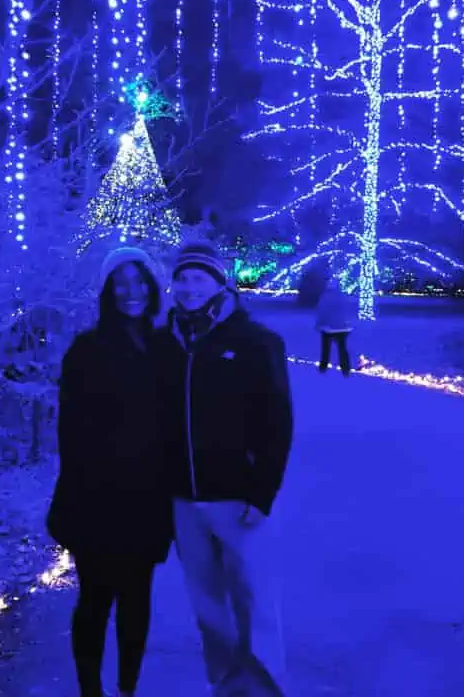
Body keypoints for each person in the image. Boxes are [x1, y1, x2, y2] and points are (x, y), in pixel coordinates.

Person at [155, 240, 294, 696]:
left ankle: (264, 686)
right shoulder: (164, 343)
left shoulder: (255, 342)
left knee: (254, 596)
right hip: (183, 499)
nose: (190, 287)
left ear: (220, 283)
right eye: (183, 278)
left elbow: (277, 422)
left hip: (237, 497)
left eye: (200, 278)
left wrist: (262, 492)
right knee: (206, 601)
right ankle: (226, 684)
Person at [46, 247, 174, 697]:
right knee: (95, 600)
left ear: (153, 289)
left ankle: (126, 689)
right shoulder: (87, 349)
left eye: (140, 282)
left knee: (137, 601)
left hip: (149, 499)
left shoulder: (166, 347)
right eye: (121, 284)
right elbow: (70, 433)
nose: (131, 292)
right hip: (96, 499)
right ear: (107, 291)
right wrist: (82, 492)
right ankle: (90, 691)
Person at [315, 278, 357, 376]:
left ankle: (323, 368)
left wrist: (319, 324)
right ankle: (346, 369)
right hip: (343, 328)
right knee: (343, 349)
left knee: (326, 349)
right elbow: (348, 311)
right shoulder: (343, 297)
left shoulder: (325, 297)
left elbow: (322, 312)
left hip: (328, 328)